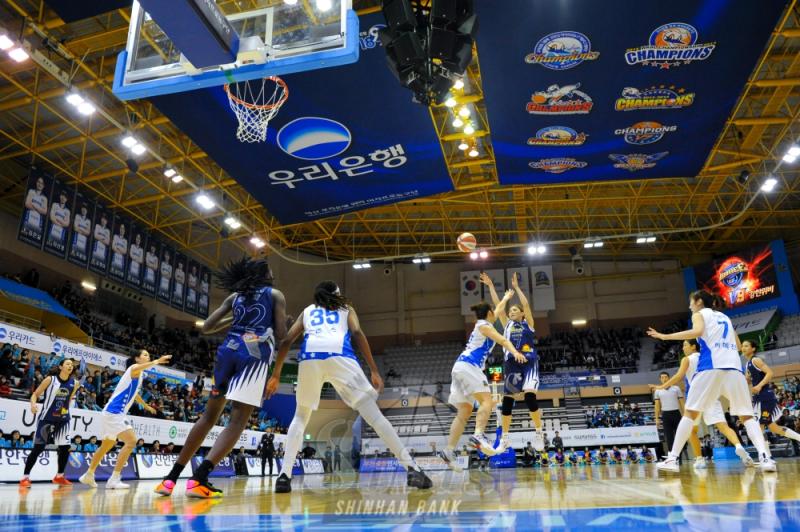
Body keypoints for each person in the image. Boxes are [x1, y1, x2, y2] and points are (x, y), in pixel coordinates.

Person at [266, 280, 431, 493]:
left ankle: (284, 476)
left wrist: (276, 375)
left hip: (309, 357)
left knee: (300, 416)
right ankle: (412, 468)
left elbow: (287, 341)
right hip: (340, 355)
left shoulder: (307, 311)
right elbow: (358, 334)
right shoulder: (346, 308)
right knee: (374, 416)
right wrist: (373, 369)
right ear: (337, 294)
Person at [155, 257, 287, 498]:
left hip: (227, 351)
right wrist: (285, 323)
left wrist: (237, 319)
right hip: (253, 354)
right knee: (237, 422)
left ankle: (170, 479)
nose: (273, 276)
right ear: (264, 276)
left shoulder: (235, 297)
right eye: (270, 272)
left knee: (208, 417)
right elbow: (281, 335)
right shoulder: (275, 294)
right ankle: (199, 479)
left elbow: (206, 327)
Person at [647, 290, 773, 472]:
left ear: (699, 301)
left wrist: (665, 336)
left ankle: (672, 459)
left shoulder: (700, 314)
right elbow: (739, 346)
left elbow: (697, 331)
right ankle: (765, 458)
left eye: (691, 302)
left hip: (711, 367)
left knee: (689, 414)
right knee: (747, 416)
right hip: (734, 368)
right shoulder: (725, 317)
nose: (690, 306)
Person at [439, 295, 524, 469]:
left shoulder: (483, 323)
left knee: (465, 410)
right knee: (487, 401)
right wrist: (515, 352)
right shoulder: (485, 326)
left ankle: (449, 450)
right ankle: (478, 435)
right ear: (489, 314)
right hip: (470, 366)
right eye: (493, 312)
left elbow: (498, 310)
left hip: (459, 367)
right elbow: (502, 340)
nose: (496, 313)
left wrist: (506, 298)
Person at [652, 338, 752, 469]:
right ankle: (739, 447)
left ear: (694, 346)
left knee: (691, 430)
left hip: (696, 397)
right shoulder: (709, 357)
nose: (683, 348)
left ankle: (699, 459)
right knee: (724, 427)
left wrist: (661, 386)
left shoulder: (687, 359)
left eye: (685, 345)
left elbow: (678, 376)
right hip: (711, 395)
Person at [79, 350, 168, 489]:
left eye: (149, 355)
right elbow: (142, 368)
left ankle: (88, 475)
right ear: (137, 359)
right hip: (115, 412)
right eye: (145, 355)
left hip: (110, 412)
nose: (148, 357)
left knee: (106, 445)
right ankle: (114, 479)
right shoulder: (133, 368)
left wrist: (146, 406)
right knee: (131, 441)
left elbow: (135, 394)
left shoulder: (139, 374)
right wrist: (157, 361)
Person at [19, 358, 79, 487]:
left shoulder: (75, 383)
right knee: (38, 448)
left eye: (72, 365)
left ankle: (59, 476)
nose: (70, 366)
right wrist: (33, 405)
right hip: (47, 419)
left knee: (65, 448)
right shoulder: (50, 380)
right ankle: (25, 478)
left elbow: (69, 400)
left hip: (63, 420)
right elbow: (35, 394)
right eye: (68, 364)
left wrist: (64, 410)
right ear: (61, 366)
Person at [743, 340, 800, 449]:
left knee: (759, 426)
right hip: (758, 398)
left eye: (746, 346)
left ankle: (766, 455)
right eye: (742, 346)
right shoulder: (747, 364)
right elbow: (748, 380)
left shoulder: (756, 360)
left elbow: (770, 373)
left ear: (753, 348)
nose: (743, 348)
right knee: (774, 428)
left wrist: (759, 386)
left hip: (765, 397)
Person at [653, 371, 684, 459]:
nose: (664, 379)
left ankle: (679, 456)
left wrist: (685, 414)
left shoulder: (676, 388)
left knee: (679, 435)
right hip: (665, 415)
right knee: (669, 437)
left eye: (666, 377)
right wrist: (657, 419)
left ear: (669, 378)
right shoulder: (658, 391)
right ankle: (672, 457)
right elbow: (657, 406)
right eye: (662, 377)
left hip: (676, 413)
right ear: (660, 379)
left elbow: (682, 403)